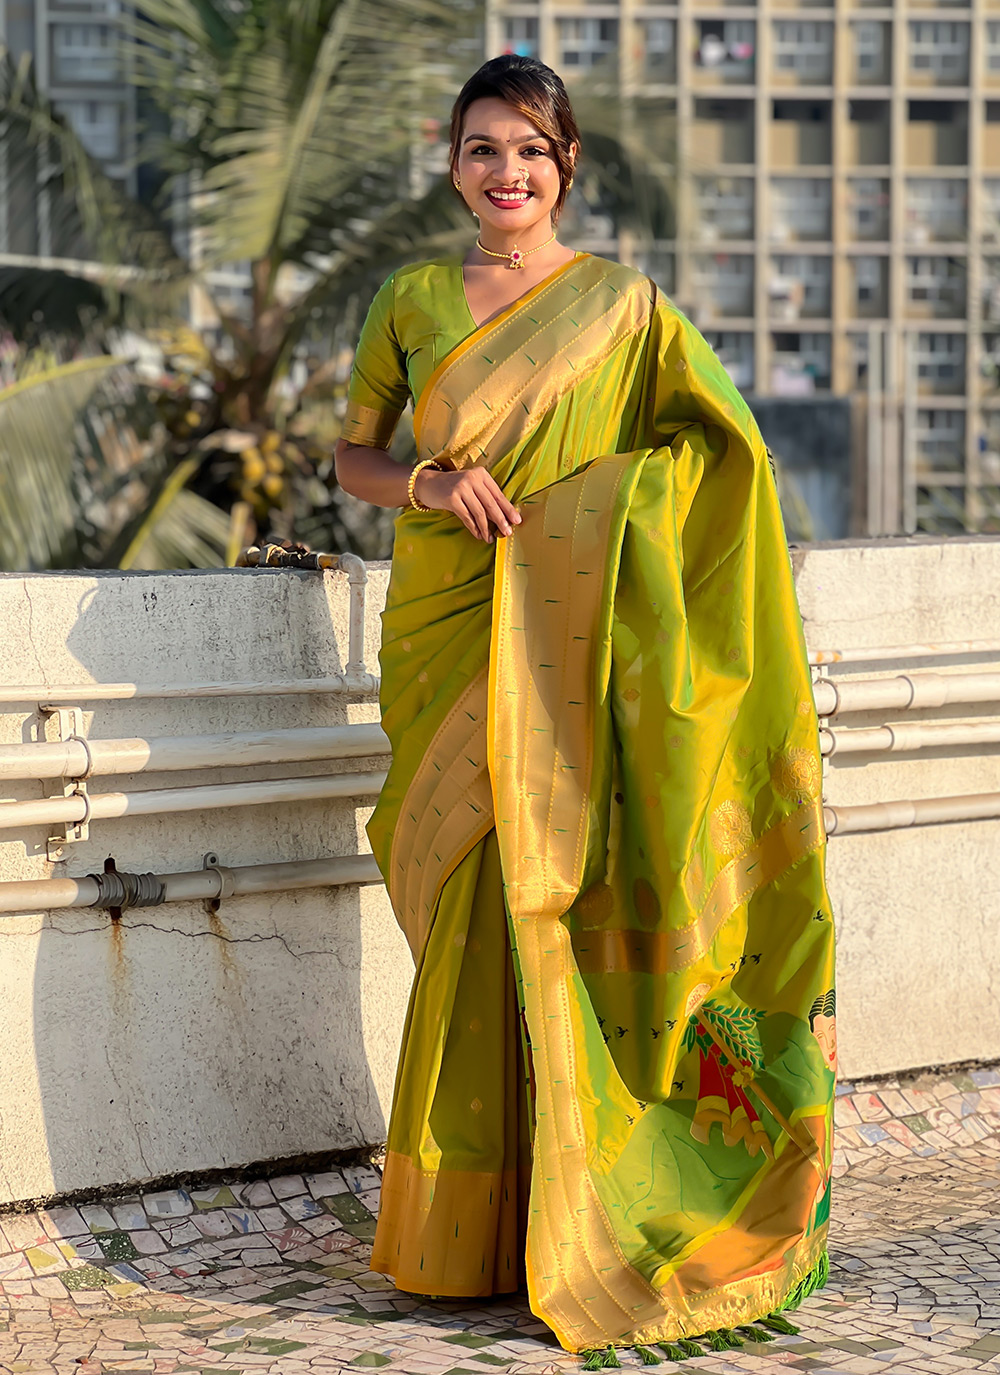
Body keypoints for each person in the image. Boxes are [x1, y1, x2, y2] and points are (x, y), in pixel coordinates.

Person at [334, 52, 836, 1369]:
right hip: (448, 630)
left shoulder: (625, 310)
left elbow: (723, 456)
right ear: (452, 164)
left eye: (532, 150)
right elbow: (355, 457)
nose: (507, 171)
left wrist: (597, 514)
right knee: (468, 912)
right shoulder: (410, 300)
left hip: (577, 653)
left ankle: (586, 1216)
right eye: (483, 147)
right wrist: (431, 486)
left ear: (566, 168)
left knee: (563, 906)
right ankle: (465, 1234)